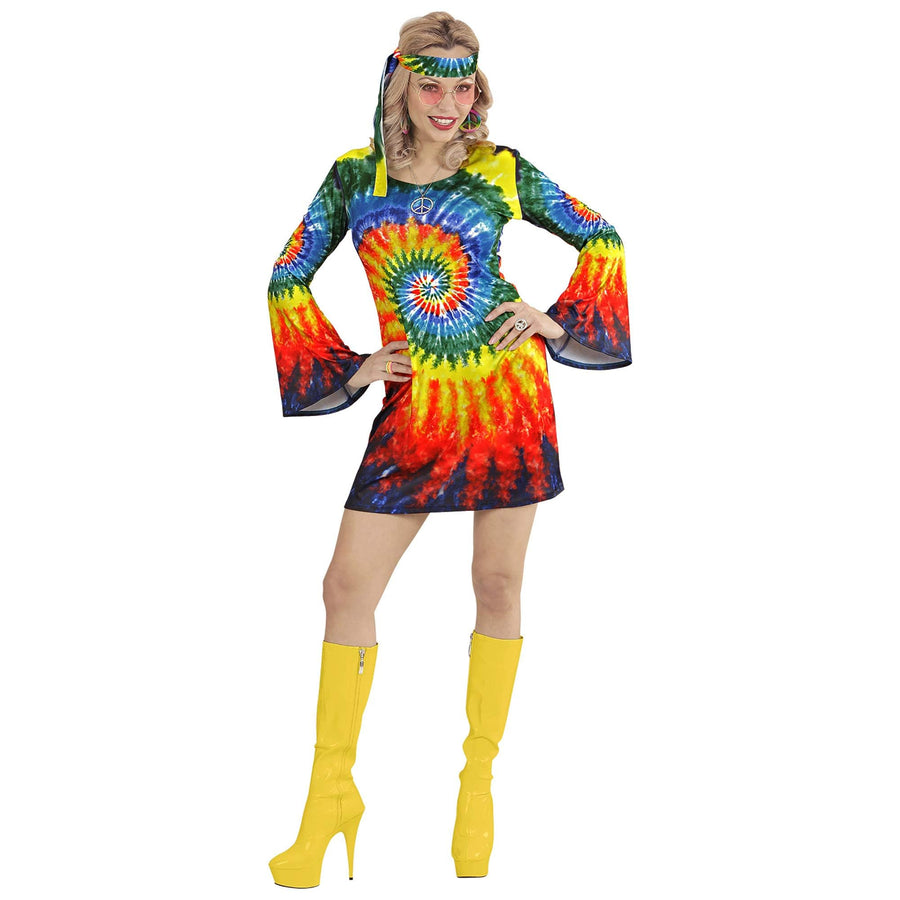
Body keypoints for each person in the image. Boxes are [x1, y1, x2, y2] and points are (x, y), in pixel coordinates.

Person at [265, 10, 631, 888]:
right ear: (399, 84)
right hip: (415, 410)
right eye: (432, 85)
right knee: (345, 587)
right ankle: (329, 798)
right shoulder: (353, 179)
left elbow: (603, 237)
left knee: (496, 584)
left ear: (477, 91)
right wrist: (355, 369)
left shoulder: (500, 169)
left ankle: (477, 788)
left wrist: (550, 322)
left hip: (505, 399)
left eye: (462, 87)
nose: (448, 103)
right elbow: (286, 275)